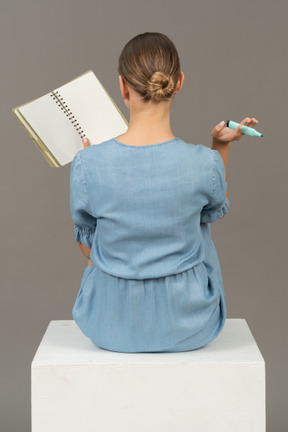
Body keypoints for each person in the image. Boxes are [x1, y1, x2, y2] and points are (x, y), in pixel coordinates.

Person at [70, 32, 259, 353]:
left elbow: (87, 250)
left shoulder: (87, 163)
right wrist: (219, 147)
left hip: (107, 324)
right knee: (198, 225)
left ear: (123, 87)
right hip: (191, 324)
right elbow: (214, 207)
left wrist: (87, 162)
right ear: (179, 81)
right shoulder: (204, 162)